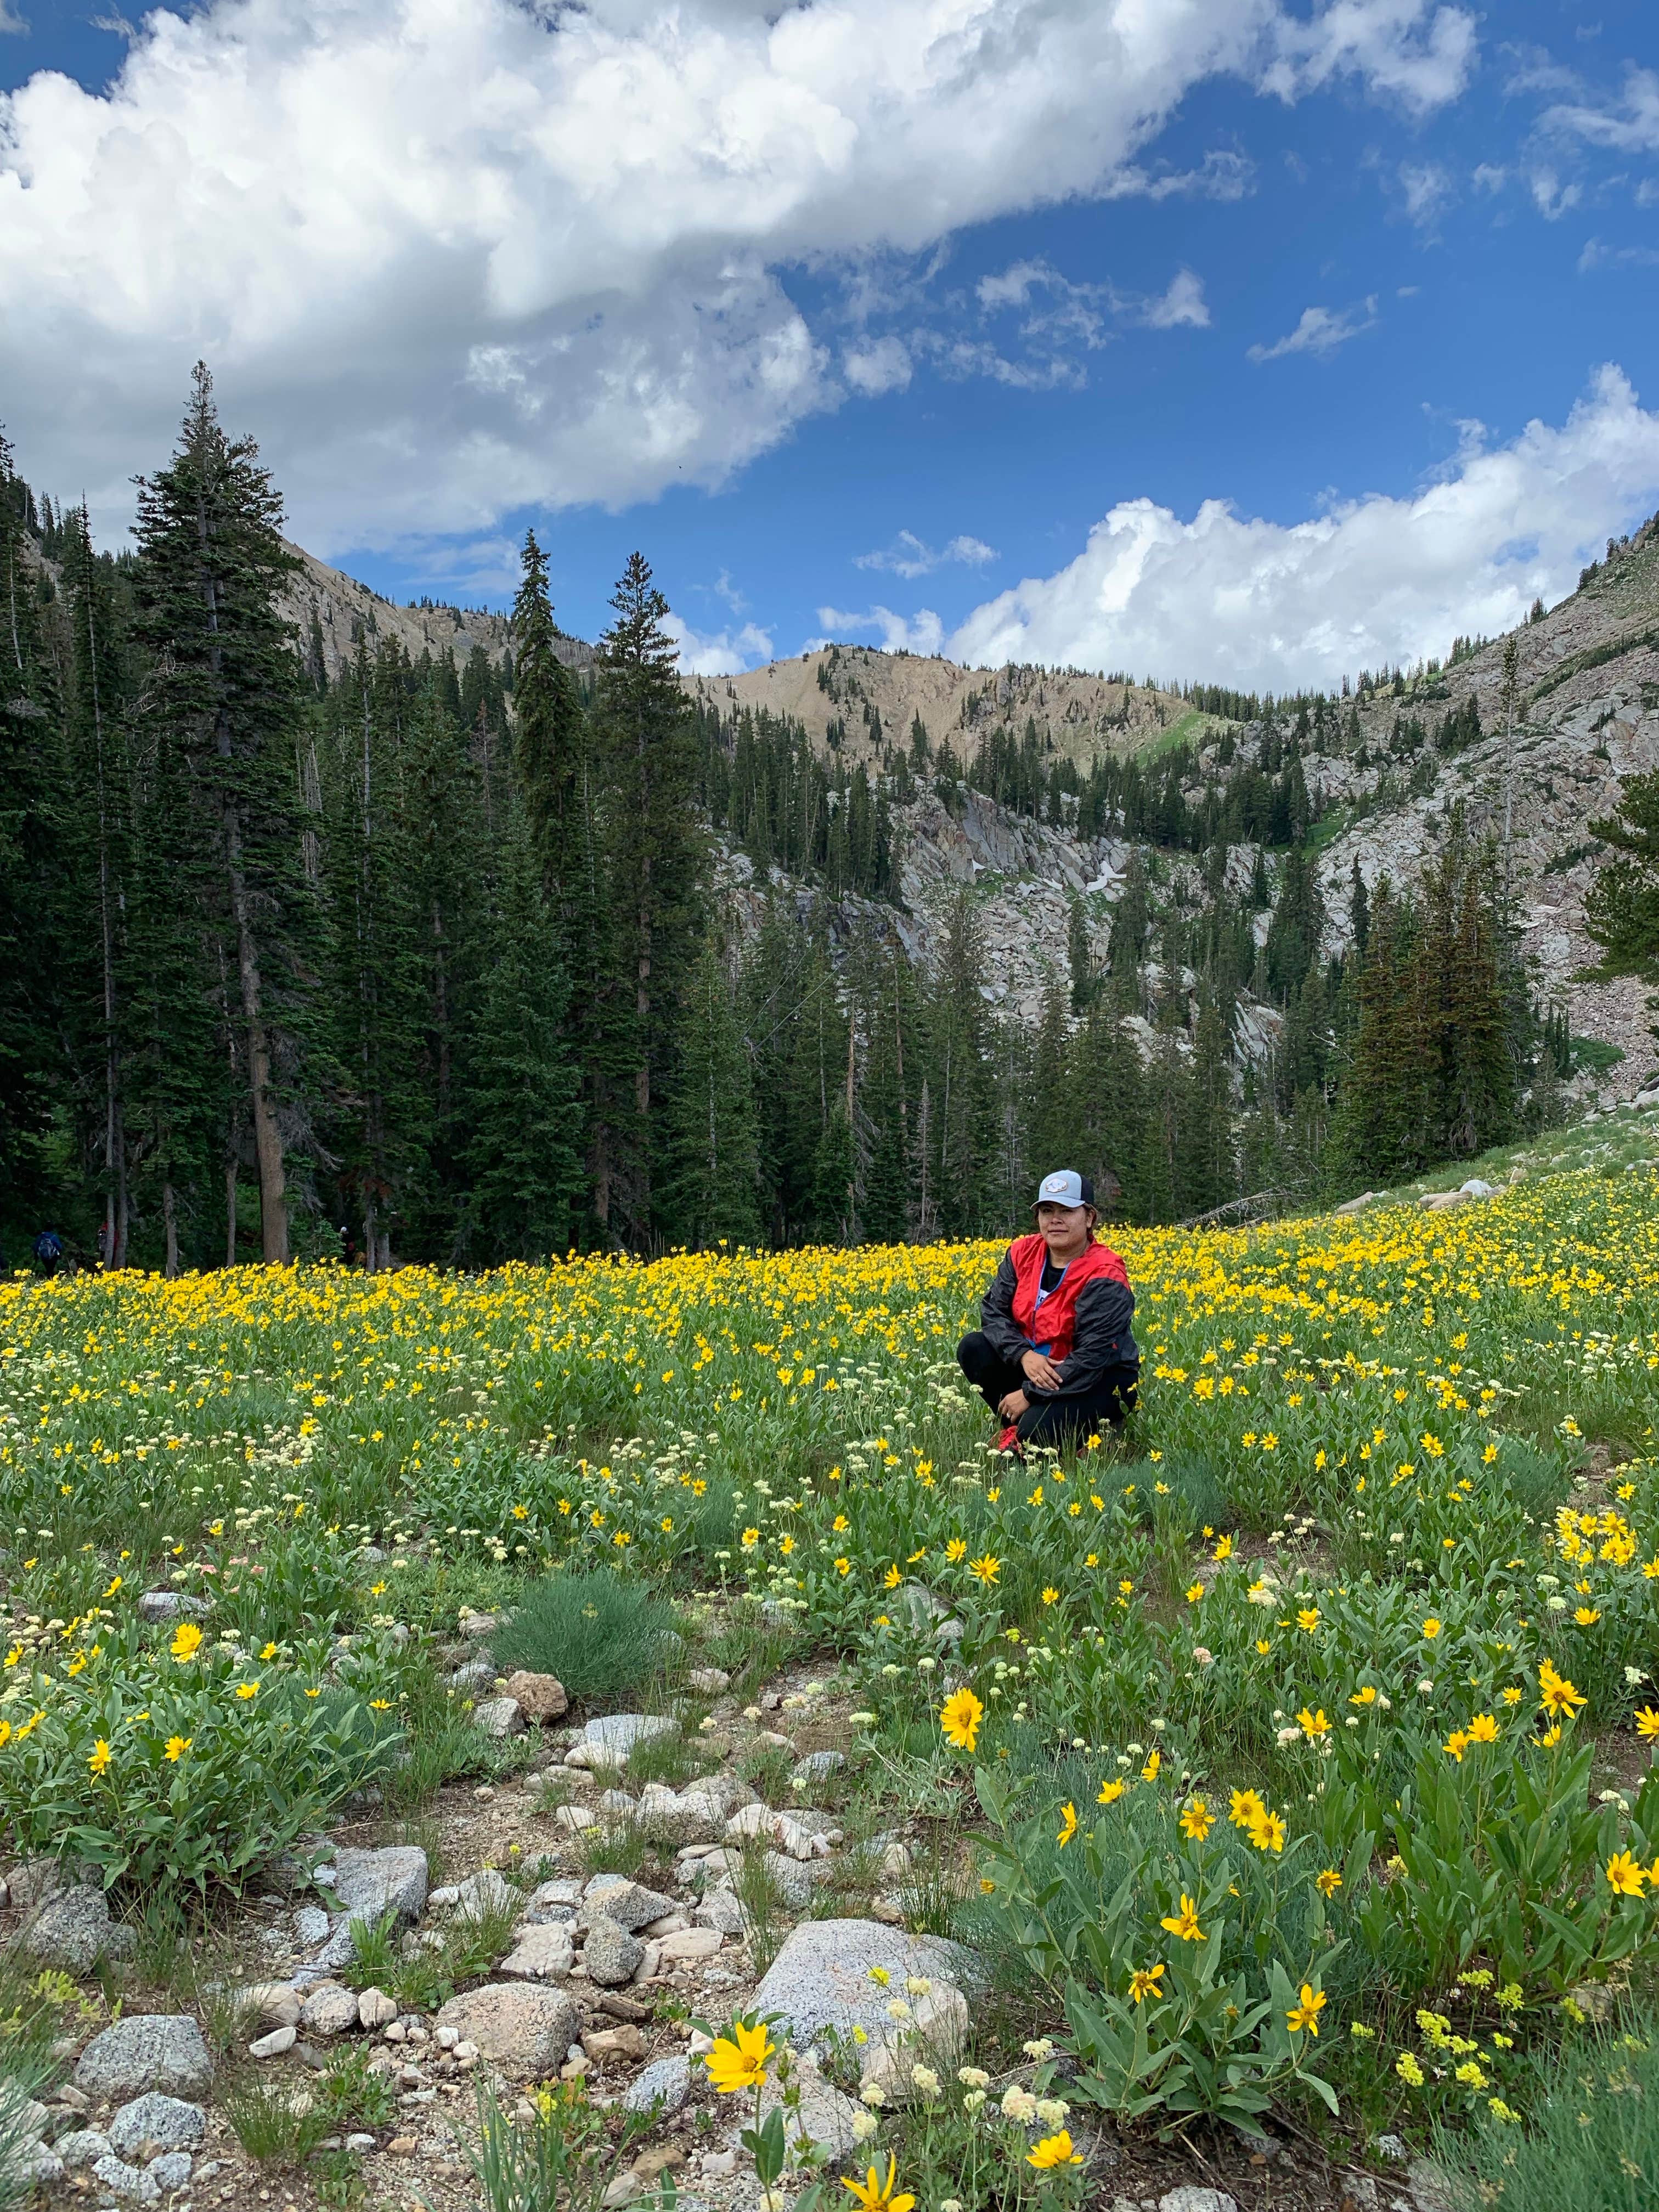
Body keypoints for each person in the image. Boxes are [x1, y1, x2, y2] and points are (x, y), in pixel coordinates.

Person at [957, 1169, 1138, 1454]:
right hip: (1039, 1365)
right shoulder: (1022, 1253)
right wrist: (1023, 1355)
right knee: (973, 1347)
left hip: (1100, 1377)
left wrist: (1030, 1394)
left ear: (1089, 1218)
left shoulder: (1106, 1274)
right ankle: (1016, 1426)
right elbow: (993, 1313)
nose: (1055, 1219)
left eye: (1066, 1211)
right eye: (1046, 1210)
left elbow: (1091, 1358)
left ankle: (1090, 1431)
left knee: (1036, 1433)